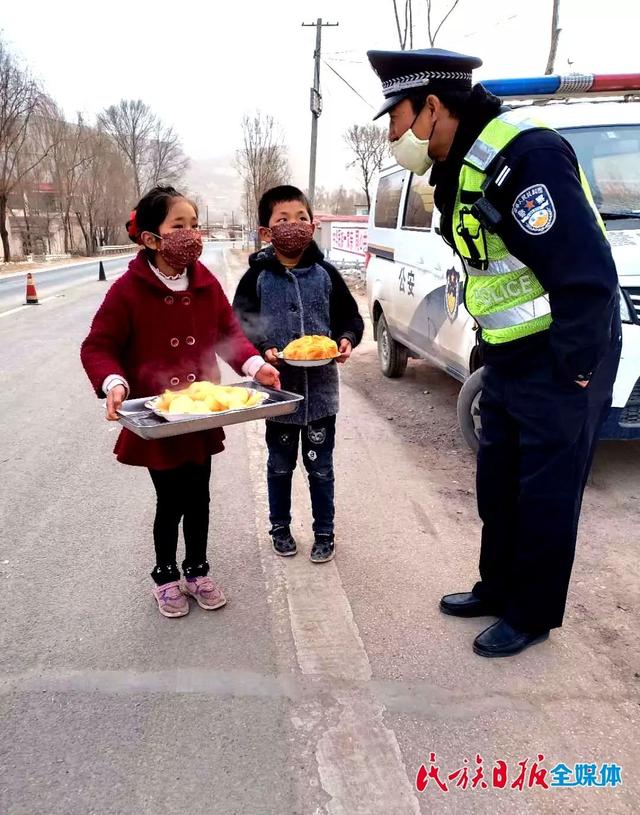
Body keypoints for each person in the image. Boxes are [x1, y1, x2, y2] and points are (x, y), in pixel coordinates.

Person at [368, 48, 621, 657]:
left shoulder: (523, 155)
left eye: (397, 118)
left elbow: (586, 273)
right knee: (499, 482)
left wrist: (576, 371)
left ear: (433, 106)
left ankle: (531, 613)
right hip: (506, 355)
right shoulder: (461, 162)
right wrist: (487, 346)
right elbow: (489, 270)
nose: (394, 135)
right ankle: (498, 586)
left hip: (560, 357)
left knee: (545, 492)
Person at [81, 186, 280, 619]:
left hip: (200, 415)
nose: (191, 235)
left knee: (200, 496)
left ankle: (198, 570)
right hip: (160, 416)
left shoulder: (206, 285)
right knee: (170, 499)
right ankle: (166, 576)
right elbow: (98, 346)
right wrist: (113, 381)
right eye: (179, 227)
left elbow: (229, 335)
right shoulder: (128, 291)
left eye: (194, 225)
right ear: (152, 238)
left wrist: (252, 366)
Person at [233, 185, 364, 563]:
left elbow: (350, 317)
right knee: (279, 464)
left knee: (321, 468)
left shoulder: (326, 274)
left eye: (301, 218)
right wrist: (261, 352)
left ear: (313, 224)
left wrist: (346, 339)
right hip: (279, 397)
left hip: (322, 394)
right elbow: (239, 322)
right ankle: (280, 527)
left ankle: (325, 533)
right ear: (265, 231)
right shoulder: (257, 277)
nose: (294, 226)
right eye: (282, 220)